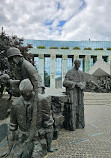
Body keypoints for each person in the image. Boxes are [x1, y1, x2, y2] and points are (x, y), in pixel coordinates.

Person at [8, 79, 54, 158]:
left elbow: (49, 122)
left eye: (27, 95)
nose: (25, 97)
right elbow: (12, 127)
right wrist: (9, 149)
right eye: (23, 95)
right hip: (22, 138)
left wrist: (49, 146)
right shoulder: (15, 105)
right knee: (15, 156)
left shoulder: (42, 100)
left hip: (37, 137)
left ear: (32, 90)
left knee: (35, 155)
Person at [7, 47, 39, 143]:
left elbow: (37, 80)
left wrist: (37, 97)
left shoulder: (27, 65)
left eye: (13, 59)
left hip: (31, 91)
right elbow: (22, 80)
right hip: (25, 90)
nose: (13, 62)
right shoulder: (19, 66)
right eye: (11, 60)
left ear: (17, 57)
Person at [63, 59, 86, 131]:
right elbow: (65, 82)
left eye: (79, 63)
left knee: (80, 109)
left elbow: (84, 82)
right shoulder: (70, 72)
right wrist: (75, 84)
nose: (78, 65)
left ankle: (79, 124)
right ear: (74, 63)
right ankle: (72, 125)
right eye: (77, 63)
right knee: (72, 109)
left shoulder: (81, 73)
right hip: (72, 93)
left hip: (79, 94)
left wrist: (82, 85)